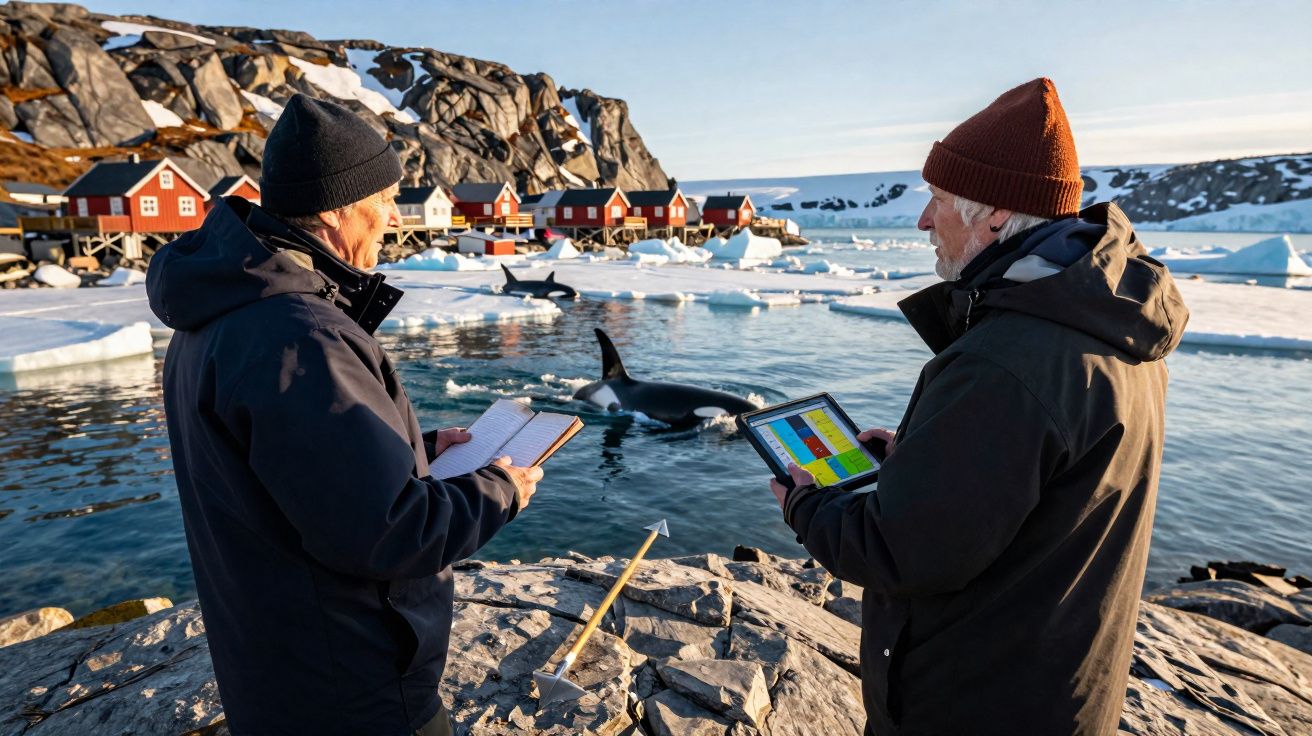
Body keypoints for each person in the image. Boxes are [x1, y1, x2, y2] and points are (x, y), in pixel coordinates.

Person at [770, 78, 1189, 734]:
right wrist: (921, 461)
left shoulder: (1007, 362)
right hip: (1061, 692)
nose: (921, 220)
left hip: (976, 705)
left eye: (937, 200)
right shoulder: (1112, 323)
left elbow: (898, 551)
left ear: (994, 214)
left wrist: (808, 505)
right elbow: (1029, 488)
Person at [146, 95, 541, 736]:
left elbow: (291, 470)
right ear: (335, 208)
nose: (393, 217)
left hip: (276, 668)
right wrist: (500, 490)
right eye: (382, 199)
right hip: (351, 688)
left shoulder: (220, 313)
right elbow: (390, 532)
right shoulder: (300, 337)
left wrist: (417, 449)